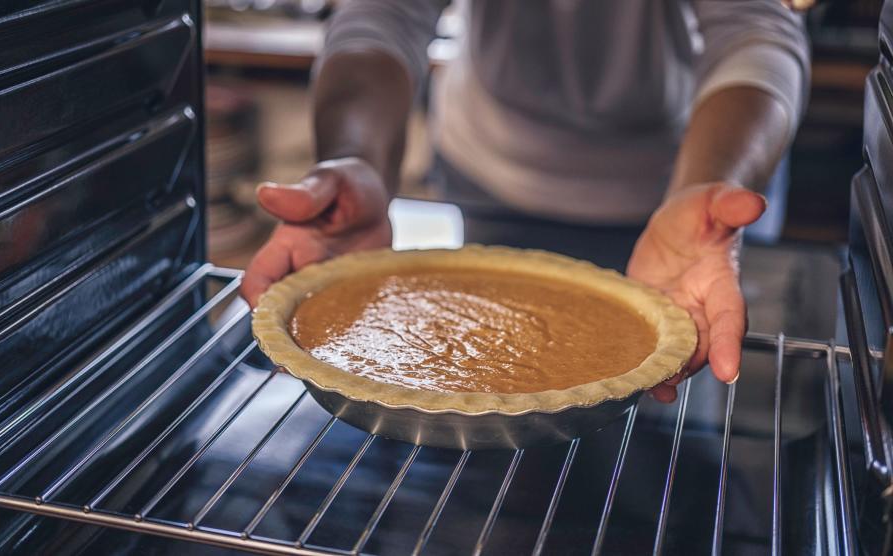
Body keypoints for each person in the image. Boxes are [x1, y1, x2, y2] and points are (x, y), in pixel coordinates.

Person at [240, 0, 810, 403]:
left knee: (680, 421)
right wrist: (356, 158)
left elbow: (756, 32)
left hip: (683, 191)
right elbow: (383, 14)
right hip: (498, 167)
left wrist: (705, 184)